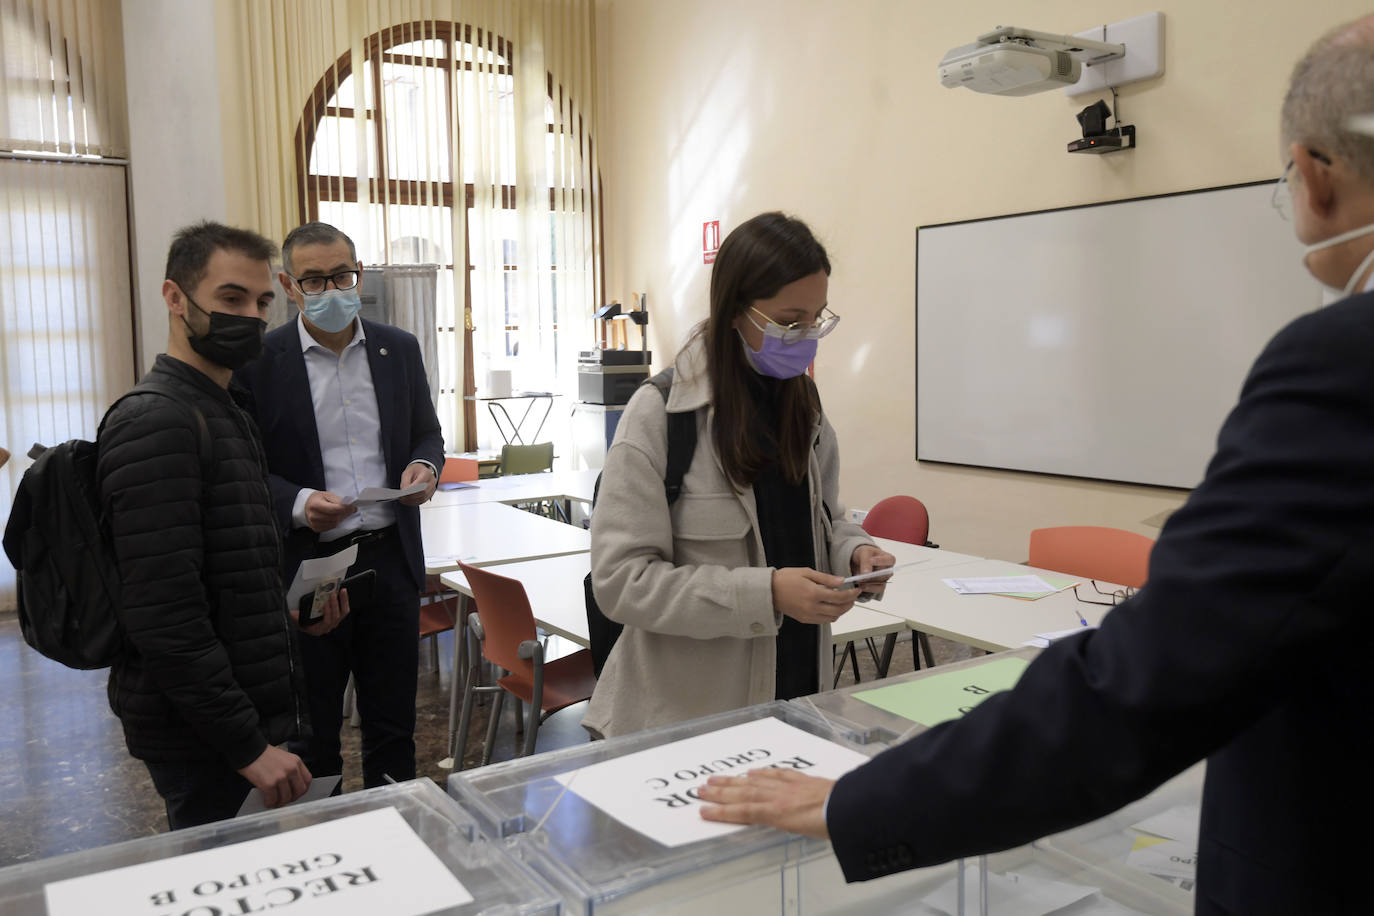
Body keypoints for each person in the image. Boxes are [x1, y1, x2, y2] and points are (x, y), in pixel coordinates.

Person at [698, 17, 1374, 913]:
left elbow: (1139, 687)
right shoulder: (666, 420)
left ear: (1316, 175)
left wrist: (867, 800)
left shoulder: (1340, 365)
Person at [585, 212, 895, 739]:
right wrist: (767, 593)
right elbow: (621, 584)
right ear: (734, 310)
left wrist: (853, 552)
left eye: (816, 319)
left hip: (799, 692)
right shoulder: (662, 414)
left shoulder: (804, 404)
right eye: (788, 320)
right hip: (689, 716)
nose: (805, 337)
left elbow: (825, 519)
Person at [97, 222, 339, 829]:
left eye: (262, 303)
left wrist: (282, 620)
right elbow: (163, 616)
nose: (251, 317)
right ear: (175, 297)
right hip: (205, 736)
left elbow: (222, 571)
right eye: (231, 299)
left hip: (241, 710)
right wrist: (247, 748)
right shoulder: (158, 423)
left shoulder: (224, 409)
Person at [235, 221, 444, 788]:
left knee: (393, 725)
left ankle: (395, 831)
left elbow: (428, 433)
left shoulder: (397, 348)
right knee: (314, 730)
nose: (333, 289)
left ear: (360, 272)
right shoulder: (259, 361)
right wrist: (300, 502)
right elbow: (244, 468)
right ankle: (327, 841)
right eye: (315, 279)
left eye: (343, 275)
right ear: (289, 284)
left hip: (391, 563)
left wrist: (426, 466)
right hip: (310, 567)